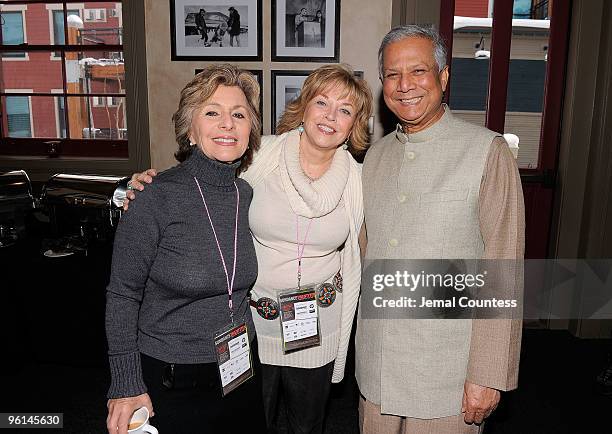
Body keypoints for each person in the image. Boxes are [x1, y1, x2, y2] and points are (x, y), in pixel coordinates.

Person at [125, 64, 373, 434]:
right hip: (255, 323)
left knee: (309, 425)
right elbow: (204, 178)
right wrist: (147, 183)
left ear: (354, 124)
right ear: (303, 107)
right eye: (321, 102)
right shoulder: (262, 156)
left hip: (320, 324)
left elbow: (363, 248)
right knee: (253, 421)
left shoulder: (358, 178)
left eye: (345, 109)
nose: (330, 116)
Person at [355, 25, 525, 433]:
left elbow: (504, 270)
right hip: (377, 368)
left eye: (418, 71)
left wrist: (487, 375)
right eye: (393, 74)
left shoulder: (486, 151)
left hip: (447, 377)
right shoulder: (373, 159)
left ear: (443, 77)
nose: (404, 85)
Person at [105, 64, 264, 434]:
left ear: (250, 131)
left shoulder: (247, 195)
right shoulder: (154, 196)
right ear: (190, 131)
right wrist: (126, 382)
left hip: (240, 370)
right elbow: (122, 294)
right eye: (212, 113)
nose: (228, 124)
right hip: (172, 380)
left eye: (238, 114)